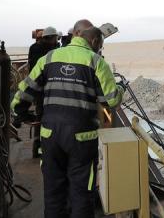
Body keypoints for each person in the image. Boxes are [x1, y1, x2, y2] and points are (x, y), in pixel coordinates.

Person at [12, 24, 122, 218]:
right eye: (100, 45)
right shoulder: (96, 62)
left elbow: (24, 92)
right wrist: (120, 89)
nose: (100, 49)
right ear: (95, 41)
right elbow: (110, 100)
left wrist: (21, 113)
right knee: (81, 192)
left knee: (53, 191)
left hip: (50, 135)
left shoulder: (49, 57)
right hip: (82, 138)